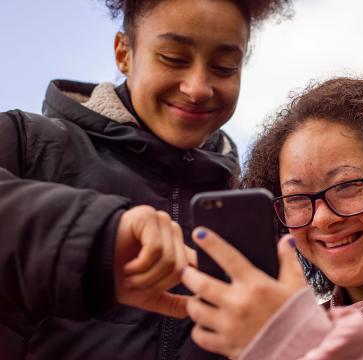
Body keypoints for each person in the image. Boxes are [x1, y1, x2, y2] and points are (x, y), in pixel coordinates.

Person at [0, 0, 292, 359]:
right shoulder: (27, 141)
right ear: (124, 53)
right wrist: (97, 236)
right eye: (173, 57)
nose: (198, 87)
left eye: (224, 66)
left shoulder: (248, 202)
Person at [182, 76, 363, 359]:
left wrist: (291, 342)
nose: (322, 219)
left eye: (347, 186)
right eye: (296, 198)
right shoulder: (271, 332)